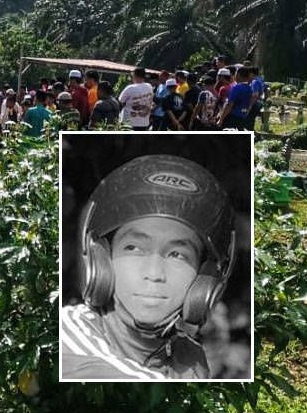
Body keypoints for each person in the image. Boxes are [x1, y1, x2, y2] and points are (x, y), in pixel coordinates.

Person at [61, 155, 235, 380]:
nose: (154, 274)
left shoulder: (191, 358)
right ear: (101, 258)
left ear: (206, 277)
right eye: (134, 248)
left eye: (177, 255)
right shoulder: (67, 340)